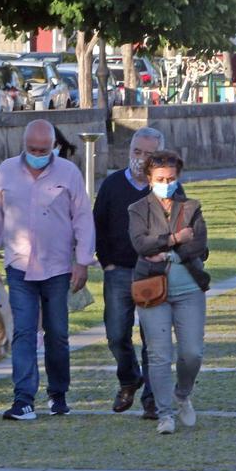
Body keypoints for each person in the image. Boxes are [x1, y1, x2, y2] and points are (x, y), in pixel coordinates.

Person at [0, 120, 95, 420]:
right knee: (23, 332)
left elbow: (82, 217)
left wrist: (82, 261)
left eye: (43, 150)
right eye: (32, 149)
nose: (37, 154)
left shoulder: (68, 172)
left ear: (53, 146)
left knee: (57, 333)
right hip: (19, 266)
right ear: (24, 144)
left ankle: (58, 393)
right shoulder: (6, 170)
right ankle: (24, 398)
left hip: (57, 268)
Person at [129, 150, 210, 435]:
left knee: (192, 353)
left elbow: (198, 245)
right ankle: (164, 413)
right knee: (159, 354)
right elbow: (141, 244)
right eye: (161, 178)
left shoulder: (191, 206)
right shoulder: (138, 209)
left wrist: (165, 251)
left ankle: (182, 393)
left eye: (172, 178)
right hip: (152, 290)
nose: (167, 182)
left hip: (189, 288)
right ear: (149, 179)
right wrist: (175, 239)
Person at [93, 127, 163, 419]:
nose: (141, 159)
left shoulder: (165, 185)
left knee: (152, 338)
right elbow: (97, 225)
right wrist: (106, 261)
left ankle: (152, 397)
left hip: (152, 271)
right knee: (116, 333)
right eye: (137, 152)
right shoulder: (112, 185)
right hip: (118, 270)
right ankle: (129, 378)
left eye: (149, 154)